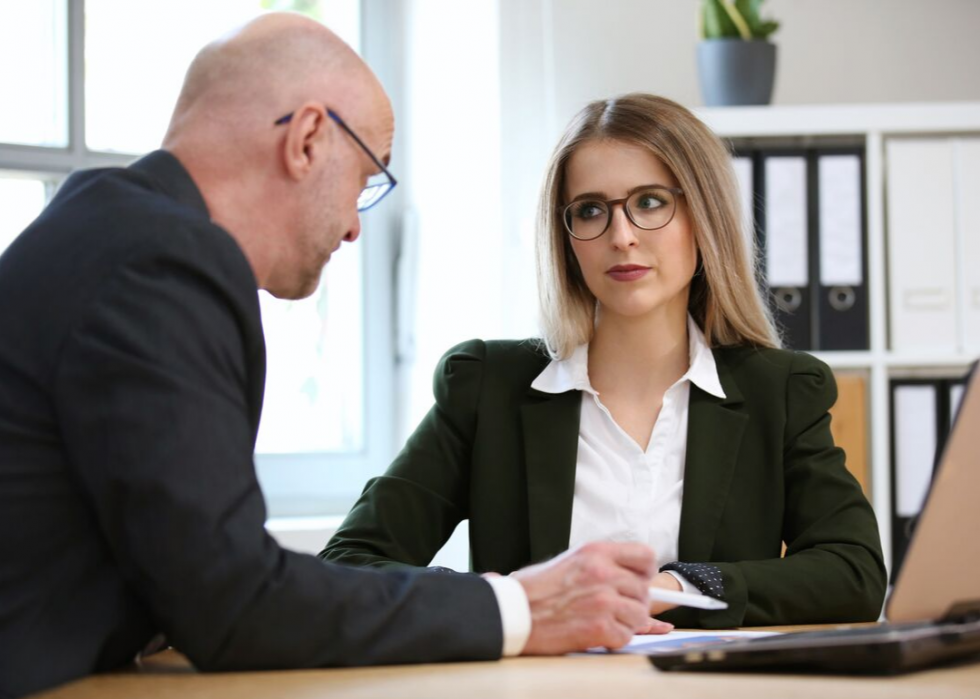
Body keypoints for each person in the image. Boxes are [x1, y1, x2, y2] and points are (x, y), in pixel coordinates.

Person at [0, 15, 665, 699]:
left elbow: (184, 569)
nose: (353, 225)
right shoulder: (164, 262)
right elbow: (235, 603)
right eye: (366, 179)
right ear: (309, 138)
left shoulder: (107, 226)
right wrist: (520, 607)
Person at [322, 93, 888, 629]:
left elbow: (855, 574)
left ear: (704, 216)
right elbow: (349, 563)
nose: (621, 236)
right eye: (590, 211)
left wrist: (680, 589)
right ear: (568, 238)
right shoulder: (486, 388)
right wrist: (516, 602)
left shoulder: (780, 391)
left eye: (649, 203)